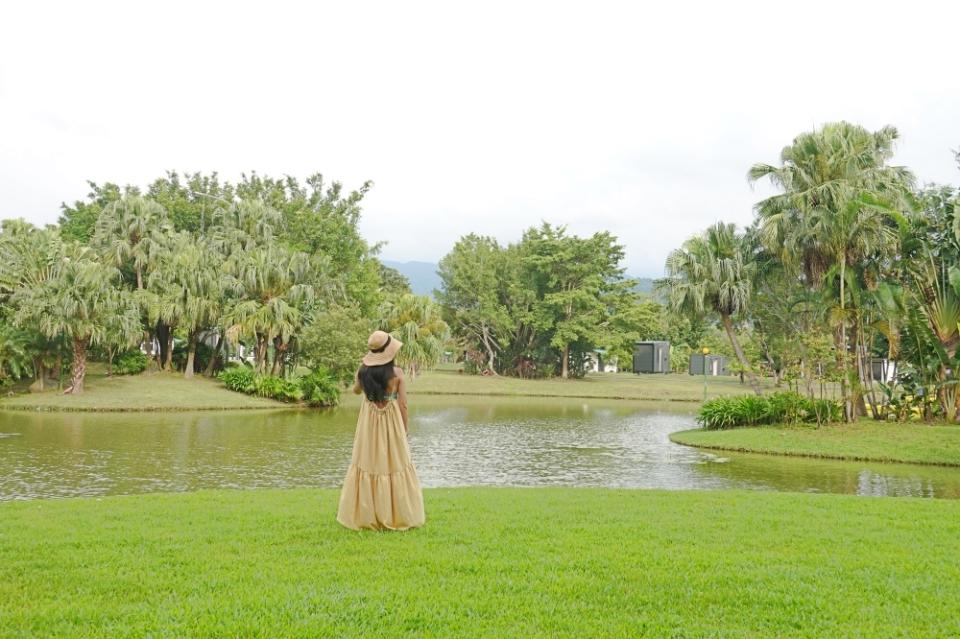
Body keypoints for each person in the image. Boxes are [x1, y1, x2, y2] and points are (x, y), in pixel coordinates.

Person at [336, 330, 425, 531]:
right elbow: (403, 406)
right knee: (395, 463)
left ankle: (368, 516)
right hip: (391, 422)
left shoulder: (363, 372)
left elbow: (356, 391)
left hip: (369, 422)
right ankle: (396, 515)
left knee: (368, 462)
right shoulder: (398, 374)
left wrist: (362, 377)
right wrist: (404, 430)